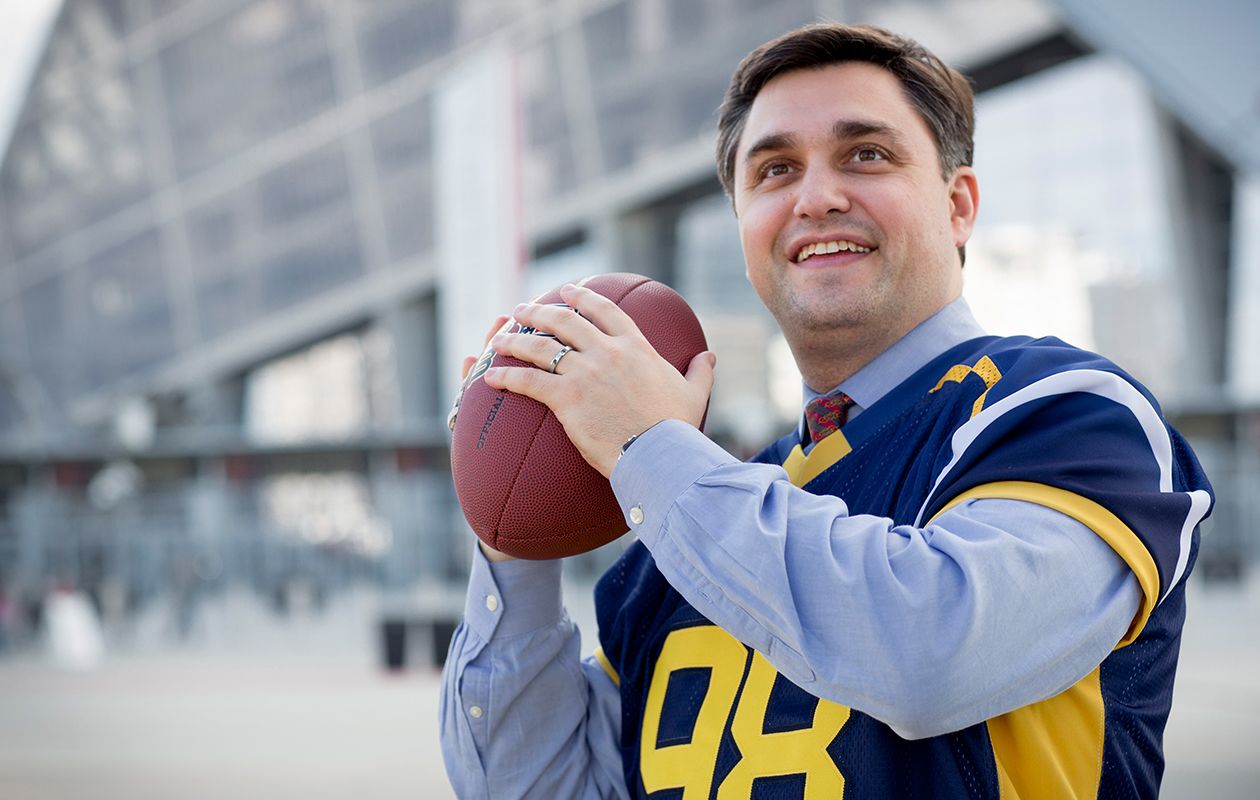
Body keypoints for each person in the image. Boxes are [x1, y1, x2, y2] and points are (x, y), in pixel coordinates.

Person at [440, 23, 1213, 799]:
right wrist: (512, 526)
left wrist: (648, 442)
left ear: (958, 205)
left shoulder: (1066, 417)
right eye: (775, 170)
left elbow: (931, 654)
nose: (816, 197)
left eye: (866, 154)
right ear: (744, 223)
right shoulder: (677, 529)